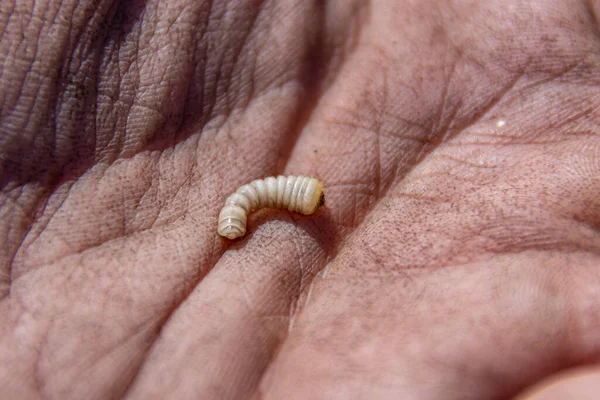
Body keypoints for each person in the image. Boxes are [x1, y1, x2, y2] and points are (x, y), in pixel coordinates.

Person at [1, 1, 599, 398]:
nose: (235, 225)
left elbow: (255, 204)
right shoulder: (252, 206)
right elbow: (250, 205)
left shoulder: (267, 203)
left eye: (238, 223)